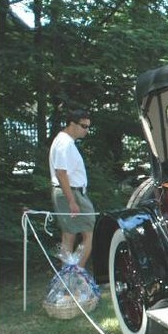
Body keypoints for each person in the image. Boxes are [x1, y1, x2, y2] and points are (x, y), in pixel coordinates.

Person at [49, 109, 96, 267]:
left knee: (68, 235)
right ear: (71, 124)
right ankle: (76, 273)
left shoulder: (64, 141)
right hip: (71, 193)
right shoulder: (65, 144)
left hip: (69, 192)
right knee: (89, 234)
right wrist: (72, 201)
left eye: (88, 126)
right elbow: (61, 173)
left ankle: (66, 277)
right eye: (83, 126)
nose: (86, 130)